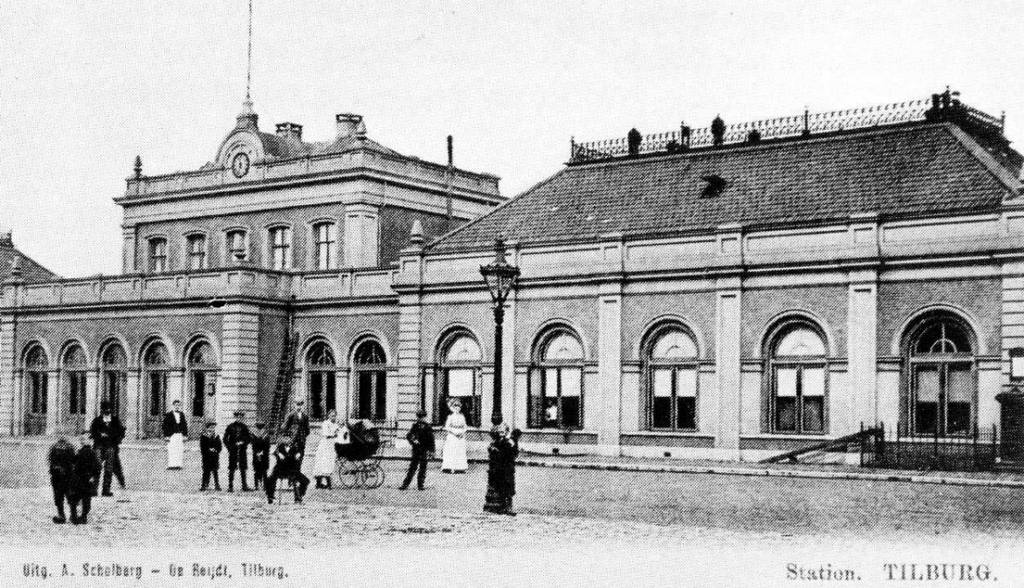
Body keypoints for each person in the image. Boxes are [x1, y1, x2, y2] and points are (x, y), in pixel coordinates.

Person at [483, 423, 521, 516]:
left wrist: (513, 443)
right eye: (499, 432)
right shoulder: (494, 443)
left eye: (503, 432)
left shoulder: (509, 442)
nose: (501, 433)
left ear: (507, 432)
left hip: (507, 469)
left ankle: (508, 507)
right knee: (499, 488)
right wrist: (493, 450)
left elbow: (513, 453)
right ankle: (499, 506)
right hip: (497, 470)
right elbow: (493, 456)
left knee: (508, 489)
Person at [90, 401, 126, 497]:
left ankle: (106, 490)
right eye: (105, 410)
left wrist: (113, 437)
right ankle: (94, 490)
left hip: (111, 447)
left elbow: (121, 432)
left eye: (109, 410)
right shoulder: (97, 421)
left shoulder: (115, 421)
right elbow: (92, 432)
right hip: (99, 446)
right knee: (96, 468)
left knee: (109, 469)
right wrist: (100, 435)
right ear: (102, 411)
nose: (107, 411)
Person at [69, 430, 101, 525]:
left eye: (84, 439)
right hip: (78, 479)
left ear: (90, 440)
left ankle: (83, 517)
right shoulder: (81, 451)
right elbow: (74, 461)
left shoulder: (91, 452)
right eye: (80, 439)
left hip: (86, 479)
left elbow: (98, 467)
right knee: (74, 498)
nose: (81, 441)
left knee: (86, 500)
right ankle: (74, 516)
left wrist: (93, 476)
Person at [399, 409, 435, 491]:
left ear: (425, 417)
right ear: (417, 417)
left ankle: (420, 485)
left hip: (424, 450)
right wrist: (413, 441)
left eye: (422, 417)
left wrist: (432, 451)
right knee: (412, 468)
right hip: (416, 450)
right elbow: (408, 435)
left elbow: (431, 440)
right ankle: (405, 485)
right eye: (419, 417)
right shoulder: (415, 426)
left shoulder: (428, 427)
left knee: (423, 468)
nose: (421, 419)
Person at [265, 439, 310, 504]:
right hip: (280, 470)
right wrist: (278, 454)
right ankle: (270, 497)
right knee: (269, 480)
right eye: (285, 437)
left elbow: (299, 454)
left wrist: (298, 455)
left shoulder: (295, 448)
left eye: (289, 438)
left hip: (292, 471)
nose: (287, 440)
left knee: (306, 481)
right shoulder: (279, 447)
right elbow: (272, 452)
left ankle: (299, 497)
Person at [47, 436, 76, 524]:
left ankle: (62, 515)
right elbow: (74, 462)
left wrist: (56, 468)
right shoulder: (70, 447)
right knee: (69, 496)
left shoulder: (54, 447)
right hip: (66, 476)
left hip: (59, 477)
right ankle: (72, 515)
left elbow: (50, 462)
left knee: (60, 496)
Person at [223, 411, 252, 492]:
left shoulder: (245, 427)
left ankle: (244, 486)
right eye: (237, 417)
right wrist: (230, 447)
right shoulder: (230, 427)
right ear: (235, 417)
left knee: (243, 468)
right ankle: (230, 486)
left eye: (240, 417)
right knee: (232, 468)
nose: (239, 418)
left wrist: (243, 442)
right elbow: (225, 439)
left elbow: (249, 438)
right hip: (233, 451)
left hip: (242, 451)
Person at [313, 409, 340, 489]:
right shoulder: (325, 423)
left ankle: (328, 483)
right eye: (332, 416)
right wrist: (334, 434)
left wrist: (336, 434)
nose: (333, 417)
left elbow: (338, 433)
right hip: (325, 445)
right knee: (321, 462)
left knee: (329, 463)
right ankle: (319, 483)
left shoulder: (336, 424)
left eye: (334, 416)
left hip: (331, 445)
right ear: (328, 416)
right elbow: (326, 434)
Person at [441, 400, 469, 473]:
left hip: (460, 436)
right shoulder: (450, 417)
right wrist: (454, 432)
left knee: (459, 451)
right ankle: (449, 467)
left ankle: (460, 468)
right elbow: (447, 427)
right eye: (455, 407)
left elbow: (465, 426)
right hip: (452, 435)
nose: (457, 409)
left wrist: (462, 432)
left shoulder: (462, 417)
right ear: (452, 408)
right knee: (451, 451)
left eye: (458, 407)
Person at [162, 400, 188, 470]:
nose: (177, 407)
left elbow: (184, 425)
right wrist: (166, 436)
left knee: (179, 449)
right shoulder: (169, 415)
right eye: (176, 405)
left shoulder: (182, 414)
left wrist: (185, 435)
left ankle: (178, 465)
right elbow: (165, 426)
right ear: (173, 406)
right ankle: (171, 465)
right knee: (172, 449)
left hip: (179, 434)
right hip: (171, 435)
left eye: (178, 405)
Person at [199, 422, 222, 491]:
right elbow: (202, 447)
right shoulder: (203, 436)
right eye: (210, 427)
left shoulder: (216, 436)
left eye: (213, 427)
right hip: (207, 457)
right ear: (207, 428)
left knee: (215, 471)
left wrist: (216, 450)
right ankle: (204, 485)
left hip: (214, 457)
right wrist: (208, 449)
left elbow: (220, 446)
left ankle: (217, 485)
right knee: (206, 471)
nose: (212, 429)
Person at [250, 422, 271, 491]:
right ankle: (256, 485)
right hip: (256, 455)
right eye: (259, 428)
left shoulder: (266, 436)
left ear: (263, 428)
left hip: (264, 456)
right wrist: (257, 452)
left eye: (261, 428)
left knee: (264, 471)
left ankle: (265, 485)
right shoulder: (254, 436)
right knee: (257, 471)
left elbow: (268, 446)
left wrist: (263, 452)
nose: (260, 430)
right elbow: (253, 445)